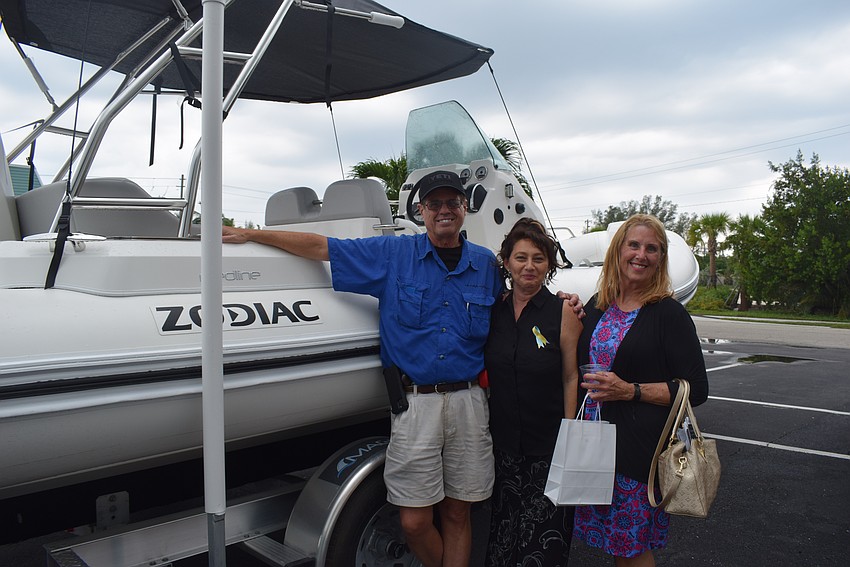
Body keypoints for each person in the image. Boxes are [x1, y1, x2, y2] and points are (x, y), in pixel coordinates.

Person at [223, 170, 582, 567]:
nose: (444, 211)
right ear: (421, 211)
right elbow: (325, 248)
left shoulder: (484, 264)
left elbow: (524, 289)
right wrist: (253, 235)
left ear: (463, 209)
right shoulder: (392, 255)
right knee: (413, 521)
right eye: (435, 204)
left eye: (452, 203)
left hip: (469, 405)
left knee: (458, 513)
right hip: (416, 405)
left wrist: (566, 300)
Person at [571, 214, 709, 567]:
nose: (641, 255)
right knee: (614, 544)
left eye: (652, 249)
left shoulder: (668, 314)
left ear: (660, 259)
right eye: (634, 245)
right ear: (618, 252)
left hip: (637, 452)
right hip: (594, 443)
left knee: (631, 548)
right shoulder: (598, 306)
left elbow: (696, 389)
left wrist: (630, 391)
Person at [484, 218, 582, 567]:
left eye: (538, 258)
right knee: (502, 539)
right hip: (504, 448)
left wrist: (570, 435)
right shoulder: (492, 311)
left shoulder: (563, 312)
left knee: (542, 546)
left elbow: (571, 377)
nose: (529, 266)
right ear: (507, 262)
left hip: (549, 448)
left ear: (549, 265)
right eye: (521, 257)